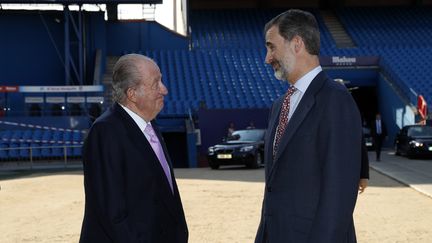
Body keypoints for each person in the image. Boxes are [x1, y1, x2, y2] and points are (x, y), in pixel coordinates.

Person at [255, 9, 363, 243]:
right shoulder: (279, 106)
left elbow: (339, 196)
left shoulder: (336, 100)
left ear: (297, 44)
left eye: (271, 46)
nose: (267, 57)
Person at [79, 54, 188, 243]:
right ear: (132, 94)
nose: (165, 90)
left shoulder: (149, 125)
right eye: (156, 83)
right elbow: (113, 214)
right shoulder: (105, 132)